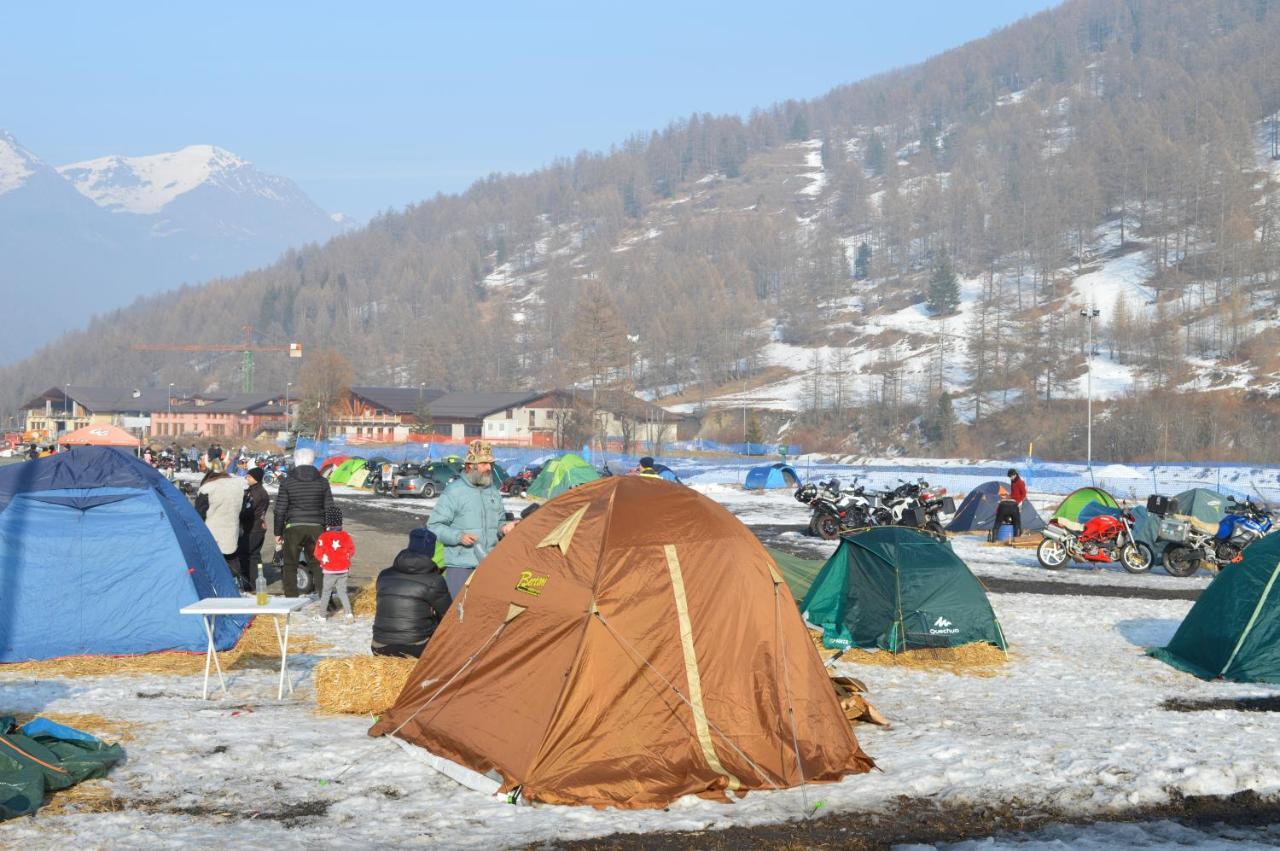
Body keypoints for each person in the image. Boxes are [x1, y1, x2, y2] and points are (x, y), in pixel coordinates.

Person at [428, 440, 516, 598]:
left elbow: (499, 521)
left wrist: (504, 528)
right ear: (470, 466)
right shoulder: (454, 492)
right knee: (458, 614)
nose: (489, 468)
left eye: (491, 464)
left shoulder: (493, 492)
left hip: (489, 565)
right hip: (461, 566)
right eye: (484, 464)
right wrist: (458, 537)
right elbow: (434, 526)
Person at [371, 528, 452, 658]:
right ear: (431, 552)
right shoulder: (434, 580)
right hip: (415, 647)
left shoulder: (384, 575)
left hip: (379, 645)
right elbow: (448, 615)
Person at [273, 447, 337, 597]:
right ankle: (325, 600)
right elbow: (330, 507)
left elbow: (280, 510)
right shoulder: (322, 482)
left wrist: (277, 532)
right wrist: (332, 530)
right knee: (319, 564)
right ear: (312, 461)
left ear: (296, 461)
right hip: (317, 527)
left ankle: (291, 598)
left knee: (290, 564)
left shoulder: (287, 482)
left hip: (293, 526)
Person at [196, 469, 250, 589]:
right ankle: (238, 586)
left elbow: (199, 514)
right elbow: (244, 509)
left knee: (214, 562)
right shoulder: (237, 486)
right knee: (233, 558)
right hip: (232, 529)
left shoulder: (208, 488)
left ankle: (217, 587)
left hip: (212, 531)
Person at [237, 467, 271, 588]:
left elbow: (247, 512)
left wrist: (237, 513)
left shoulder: (258, 493)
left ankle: (249, 583)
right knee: (253, 555)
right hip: (254, 527)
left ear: (255, 479)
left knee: (247, 555)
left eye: (249, 476)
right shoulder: (252, 491)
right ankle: (254, 582)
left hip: (254, 528)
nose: (246, 478)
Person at [313, 527, 356, 622]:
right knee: (342, 592)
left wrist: (323, 560)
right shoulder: (346, 535)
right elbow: (351, 550)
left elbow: (317, 553)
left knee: (326, 593)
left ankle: (322, 616)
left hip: (329, 570)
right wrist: (346, 557)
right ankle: (348, 614)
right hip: (343, 569)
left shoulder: (323, 536)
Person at [990, 468, 1027, 543]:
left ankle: (1017, 539)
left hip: (1016, 503)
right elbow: (1013, 494)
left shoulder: (1020, 482)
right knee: (1004, 518)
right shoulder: (1012, 481)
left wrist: (1019, 502)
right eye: (1009, 477)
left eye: (1011, 476)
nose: (1010, 478)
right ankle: (994, 538)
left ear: (1015, 475)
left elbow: (1024, 494)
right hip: (1011, 502)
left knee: (1017, 521)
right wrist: (1007, 497)